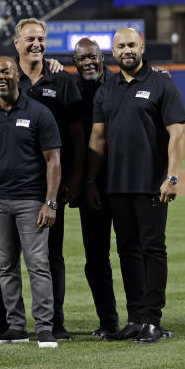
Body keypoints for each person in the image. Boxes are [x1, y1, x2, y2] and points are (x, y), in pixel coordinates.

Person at [86, 27, 185, 344]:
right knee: (127, 251)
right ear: (113, 52)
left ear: (141, 46)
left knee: (152, 249)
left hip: (151, 184)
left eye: (131, 44)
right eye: (120, 46)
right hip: (117, 185)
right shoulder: (107, 88)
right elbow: (97, 138)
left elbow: (177, 132)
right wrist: (91, 181)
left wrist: (171, 176)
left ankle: (153, 320)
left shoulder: (161, 82)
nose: (126, 50)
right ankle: (135, 318)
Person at [0, 56, 61, 348]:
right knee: (6, 265)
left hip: (31, 201)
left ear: (17, 75)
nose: (0, 77)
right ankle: (16, 327)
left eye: (6, 71)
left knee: (38, 264)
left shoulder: (39, 112)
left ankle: (45, 327)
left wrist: (51, 202)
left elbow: (54, 160)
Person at [11, 18, 83, 341]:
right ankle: (9, 323)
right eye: (30, 39)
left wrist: (74, 179)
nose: (36, 44)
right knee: (9, 256)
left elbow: (77, 135)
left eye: (41, 39)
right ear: (17, 43)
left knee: (52, 254)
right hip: (12, 184)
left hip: (50, 184)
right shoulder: (2, 76)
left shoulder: (61, 80)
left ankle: (55, 321)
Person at [71, 38, 120, 337]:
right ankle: (108, 321)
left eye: (92, 57)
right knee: (96, 257)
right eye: (81, 59)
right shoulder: (70, 88)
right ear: (74, 63)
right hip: (91, 184)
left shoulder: (121, 83)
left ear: (101, 57)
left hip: (123, 181)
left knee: (132, 251)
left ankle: (142, 317)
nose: (88, 62)